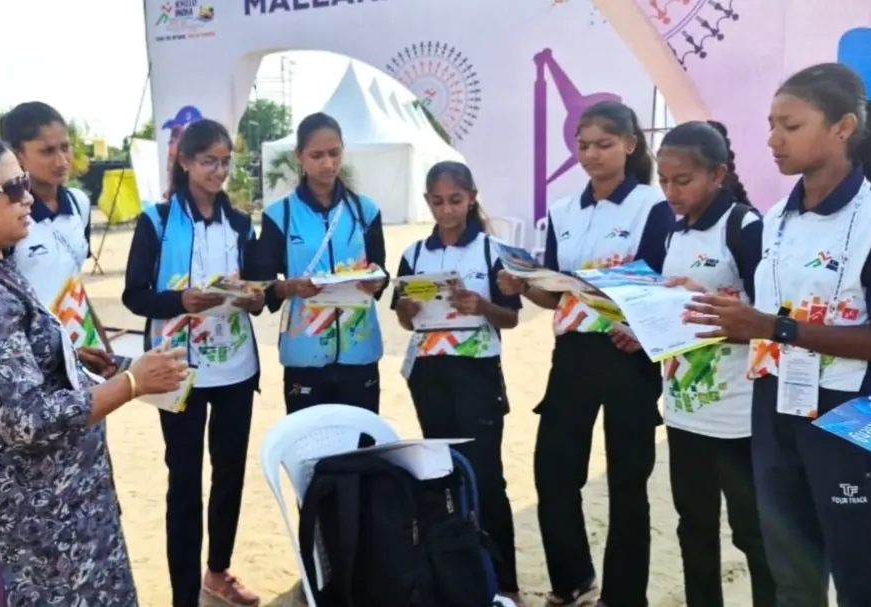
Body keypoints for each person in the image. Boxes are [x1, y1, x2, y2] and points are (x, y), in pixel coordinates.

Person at [0, 131, 187, 606]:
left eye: (24, 184)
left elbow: (11, 372)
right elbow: (27, 419)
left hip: (49, 515)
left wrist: (68, 362)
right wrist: (133, 383)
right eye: (11, 189)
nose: (26, 198)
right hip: (14, 523)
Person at [682, 62, 871, 606]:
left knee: (862, 567)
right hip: (773, 405)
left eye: (790, 126)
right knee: (791, 571)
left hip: (847, 413)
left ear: (842, 127)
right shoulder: (775, 217)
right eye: (770, 124)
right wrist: (732, 320)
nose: (772, 139)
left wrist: (772, 326)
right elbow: (771, 317)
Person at [498, 100, 674, 607]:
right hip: (572, 353)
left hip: (627, 355)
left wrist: (633, 324)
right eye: (582, 146)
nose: (591, 155)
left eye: (603, 144)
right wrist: (524, 283)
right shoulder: (563, 211)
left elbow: (658, 286)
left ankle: (623, 597)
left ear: (629, 144)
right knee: (553, 472)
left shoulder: (652, 206)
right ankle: (572, 581)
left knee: (626, 484)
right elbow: (556, 293)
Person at [613, 120, 775, 607]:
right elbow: (678, 318)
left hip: (739, 416)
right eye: (663, 180)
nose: (671, 191)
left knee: (754, 534)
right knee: (695, 528)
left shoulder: (744, 227)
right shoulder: (671, 232)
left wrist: (705, 299)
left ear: (717, 174)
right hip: (684, 412)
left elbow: (771, 318)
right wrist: (643, 331)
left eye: (682, 180)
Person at [122, 119, 263, 607]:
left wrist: (252, 298)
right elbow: (135, 296)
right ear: (184, 161)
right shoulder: (156, 221)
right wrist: (180, 301)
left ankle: (217, 572)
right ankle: (184, 596)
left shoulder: (242, 223)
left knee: (229, 473)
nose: (219, 171)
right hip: (177, 369)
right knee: (184, 480)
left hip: (236, 368)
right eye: (208, 160)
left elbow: (261, 293)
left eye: (225, 161)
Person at [391, 161, 524, 606]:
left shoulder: (491, 250)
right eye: (437, 201)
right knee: (443, 472)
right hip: (429, 372)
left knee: (486, 476)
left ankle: (505, 582)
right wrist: (408, 309)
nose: (446, 210)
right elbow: (405, 319)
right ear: (427, 200)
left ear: (471, 197)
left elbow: (512, 317)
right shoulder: (414, 253)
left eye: (455, 200)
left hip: (477, 371)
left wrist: (482, 305)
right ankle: (452, 574)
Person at [255, 112, 388, 414]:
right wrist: (288, 287)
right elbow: (261, 285)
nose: (328, 164)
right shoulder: (280, 215)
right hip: (305, 351)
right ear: (299, 156)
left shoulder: (366, 211)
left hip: (360, 350)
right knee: (310, 450)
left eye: (334, 153)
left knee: (361, 449)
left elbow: (379, 267)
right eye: (316, 155)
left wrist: (377, 280)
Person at [0, 102, 115, 376]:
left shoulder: (79, 203)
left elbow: (74, 283)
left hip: (86, 350)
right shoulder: (7, 214)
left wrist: (104, 344)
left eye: (65, 147)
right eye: (47, 151)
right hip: (36, 363)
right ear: (18, 156)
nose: (62, 160)